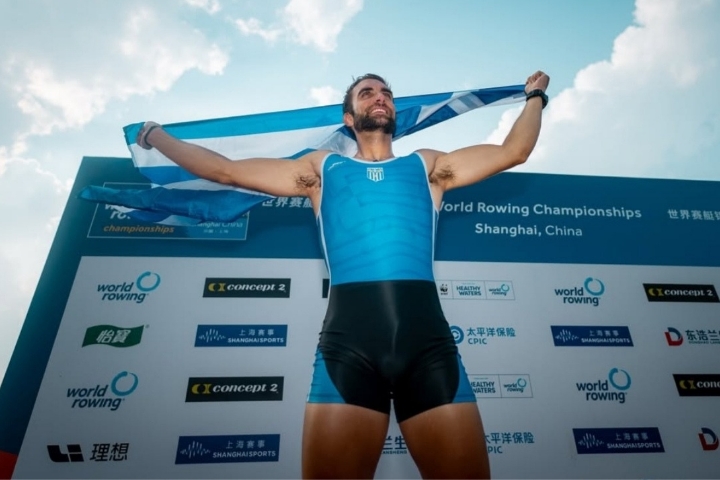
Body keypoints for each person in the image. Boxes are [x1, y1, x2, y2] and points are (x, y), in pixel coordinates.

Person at [137, 70, 550, 479]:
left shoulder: (427, 167)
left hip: (429, 351)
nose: (380, 97)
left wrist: (535, 97)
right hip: (349, 352)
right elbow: (224, 171)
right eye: (367, 93)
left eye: (386, 92)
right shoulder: (323, 169)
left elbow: (513, 151)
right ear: (349, 119)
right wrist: (156, 136)